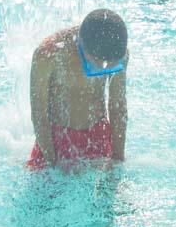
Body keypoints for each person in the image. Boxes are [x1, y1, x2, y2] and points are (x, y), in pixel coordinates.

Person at [29, 9, 128, 171]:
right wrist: (52, 163)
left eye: (109, 69)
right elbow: (39, 114)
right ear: (81, 46)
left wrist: (118, 158)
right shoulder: (49, 54)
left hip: (98, 133)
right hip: (56, 138)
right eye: (94, 67)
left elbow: (118, 106)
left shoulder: (118, 53)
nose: (100, 72)